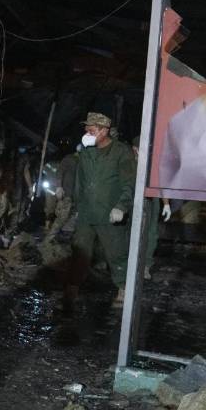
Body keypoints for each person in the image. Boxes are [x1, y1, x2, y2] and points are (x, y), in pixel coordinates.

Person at [65, 112, 136, 307]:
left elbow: (129, 182)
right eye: (86, 129)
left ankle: (122, 289)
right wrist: (77, 206)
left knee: (116, 252)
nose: (87, 132)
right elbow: (81, 181)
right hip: (87, 213)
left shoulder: (122, 152)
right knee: (80, 250)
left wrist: (122, 206)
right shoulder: (86, 152)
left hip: (110, 213)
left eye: (91, 129)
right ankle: (72, 289)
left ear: (104, 130)